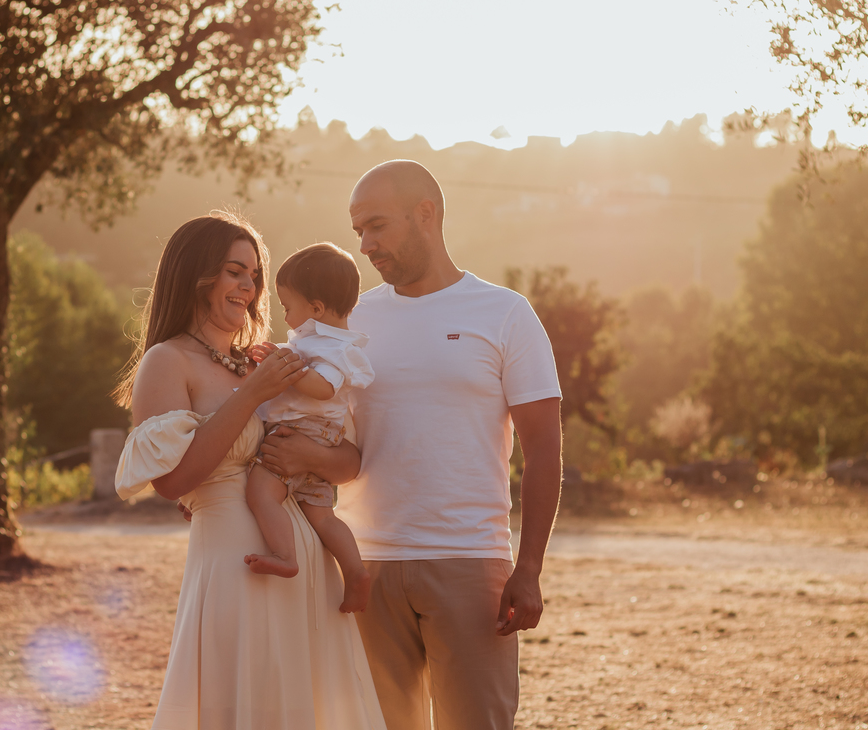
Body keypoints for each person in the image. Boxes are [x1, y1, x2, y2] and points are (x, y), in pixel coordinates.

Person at [261, 160, 564, 730]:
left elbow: (544, 450)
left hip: (470, 565)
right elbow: (317, 429)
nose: (366, 245)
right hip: (363, 564)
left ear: (426, 214)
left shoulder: (504, 314)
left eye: (377, 226)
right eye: (358, 232)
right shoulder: (348, 323)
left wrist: (528, 567)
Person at [113, 213, 387, 730]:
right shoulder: (167, 361)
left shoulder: (262, 362)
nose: (249, 287)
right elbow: (172, 482)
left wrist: (309, 457)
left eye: (254, 276)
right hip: (238, 567)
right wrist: (253, 395)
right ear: (197, 275)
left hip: (308, 565)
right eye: (235, 271)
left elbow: (350, 461)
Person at [243, 242, 375, 614]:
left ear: (316, 308)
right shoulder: (320, 342)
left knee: (261, 495)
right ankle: (356, 571)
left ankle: (285, 556)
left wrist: (287, 370)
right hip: (321, 437)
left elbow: (323, 387)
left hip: (302, 431)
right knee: (321, 515)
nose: (286, 317)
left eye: (288, 307)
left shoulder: (332, 348)